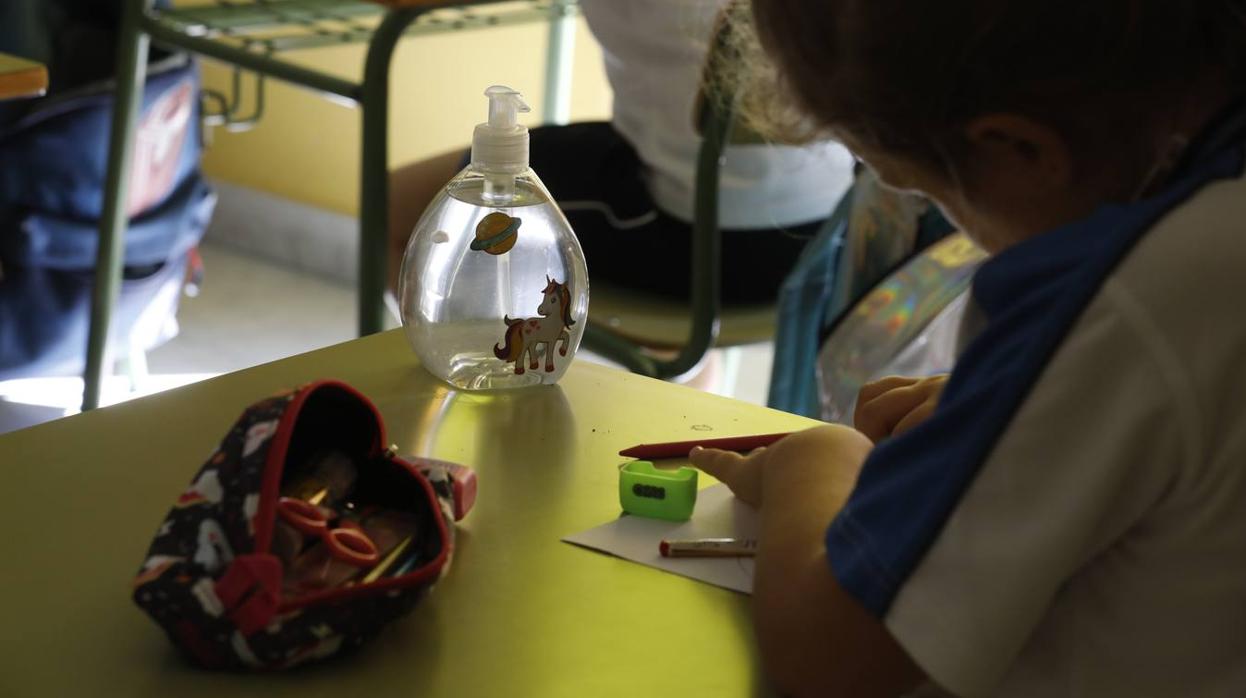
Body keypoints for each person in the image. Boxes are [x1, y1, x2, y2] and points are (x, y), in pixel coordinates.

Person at [689, 2, 1246, 696]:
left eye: (925, 188)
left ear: (1021, 149)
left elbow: (830, 660)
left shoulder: (1116, 301)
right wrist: (1008, 406)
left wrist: (815, 462)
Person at [388, 0, 855, 305]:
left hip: (705, 249)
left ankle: (460, 375)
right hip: (838, 234)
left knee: (394, 205)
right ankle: (677, 384)